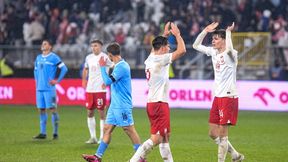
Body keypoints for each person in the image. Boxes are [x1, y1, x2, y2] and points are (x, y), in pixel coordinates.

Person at [130, 22, 186, 162]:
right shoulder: (161, 59)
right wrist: (177, 34)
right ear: (161, 48)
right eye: (167, 46)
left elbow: (156, 46)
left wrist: (164, 35)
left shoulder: (150, 58)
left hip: (153, 102)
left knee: (166, 136)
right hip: (159, 103)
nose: (169, 48)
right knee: (157, 138)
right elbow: (182, 50)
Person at [82, 43, 144, 162]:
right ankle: (97, 157)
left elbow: (107, 81)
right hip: (114, 105)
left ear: (110, 55)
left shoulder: (122, 66)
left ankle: (140, 157)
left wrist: (102, 67)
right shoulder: (118, 65)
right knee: (107, 128)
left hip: (122, 105)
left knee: (129, 130)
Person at [192, 22, 244, 162]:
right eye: (212, 38)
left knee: (222, 134)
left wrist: (228, 32)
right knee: (212, 133)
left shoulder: (232, 54)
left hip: (229, 96)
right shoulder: (214, 52)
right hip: (218, 97)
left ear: (224, 40)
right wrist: (205, 30)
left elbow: (229, 49)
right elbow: (195, 46)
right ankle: (235, 155)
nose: (213, 41)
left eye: (216, 39)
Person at [33, 39, 68, 140]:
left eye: (45, 44)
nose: (43, 45)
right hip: (39, 89)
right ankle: (43, 133)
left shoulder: (53, 57)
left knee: (52, 109)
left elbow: (64, 68)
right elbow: (35, 71)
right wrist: (36, 82)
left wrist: (57, 81)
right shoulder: (38, 58)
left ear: (50, 47)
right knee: (41, 110)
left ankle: (55, 133)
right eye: (42, 44)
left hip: (49, 89)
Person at [82, 39, 113, 144]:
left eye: (95, 46)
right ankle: (93, 137)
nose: (93, 48)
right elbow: (86, 69)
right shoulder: (88, 58)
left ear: (100, 47)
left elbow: (113, 66)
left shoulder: (105, 57)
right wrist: (83, 80)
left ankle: (101, 137)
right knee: (90, 112)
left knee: (101, 113)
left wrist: (108, 80)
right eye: (92, 46)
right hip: (90, 89)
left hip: (100, 89)